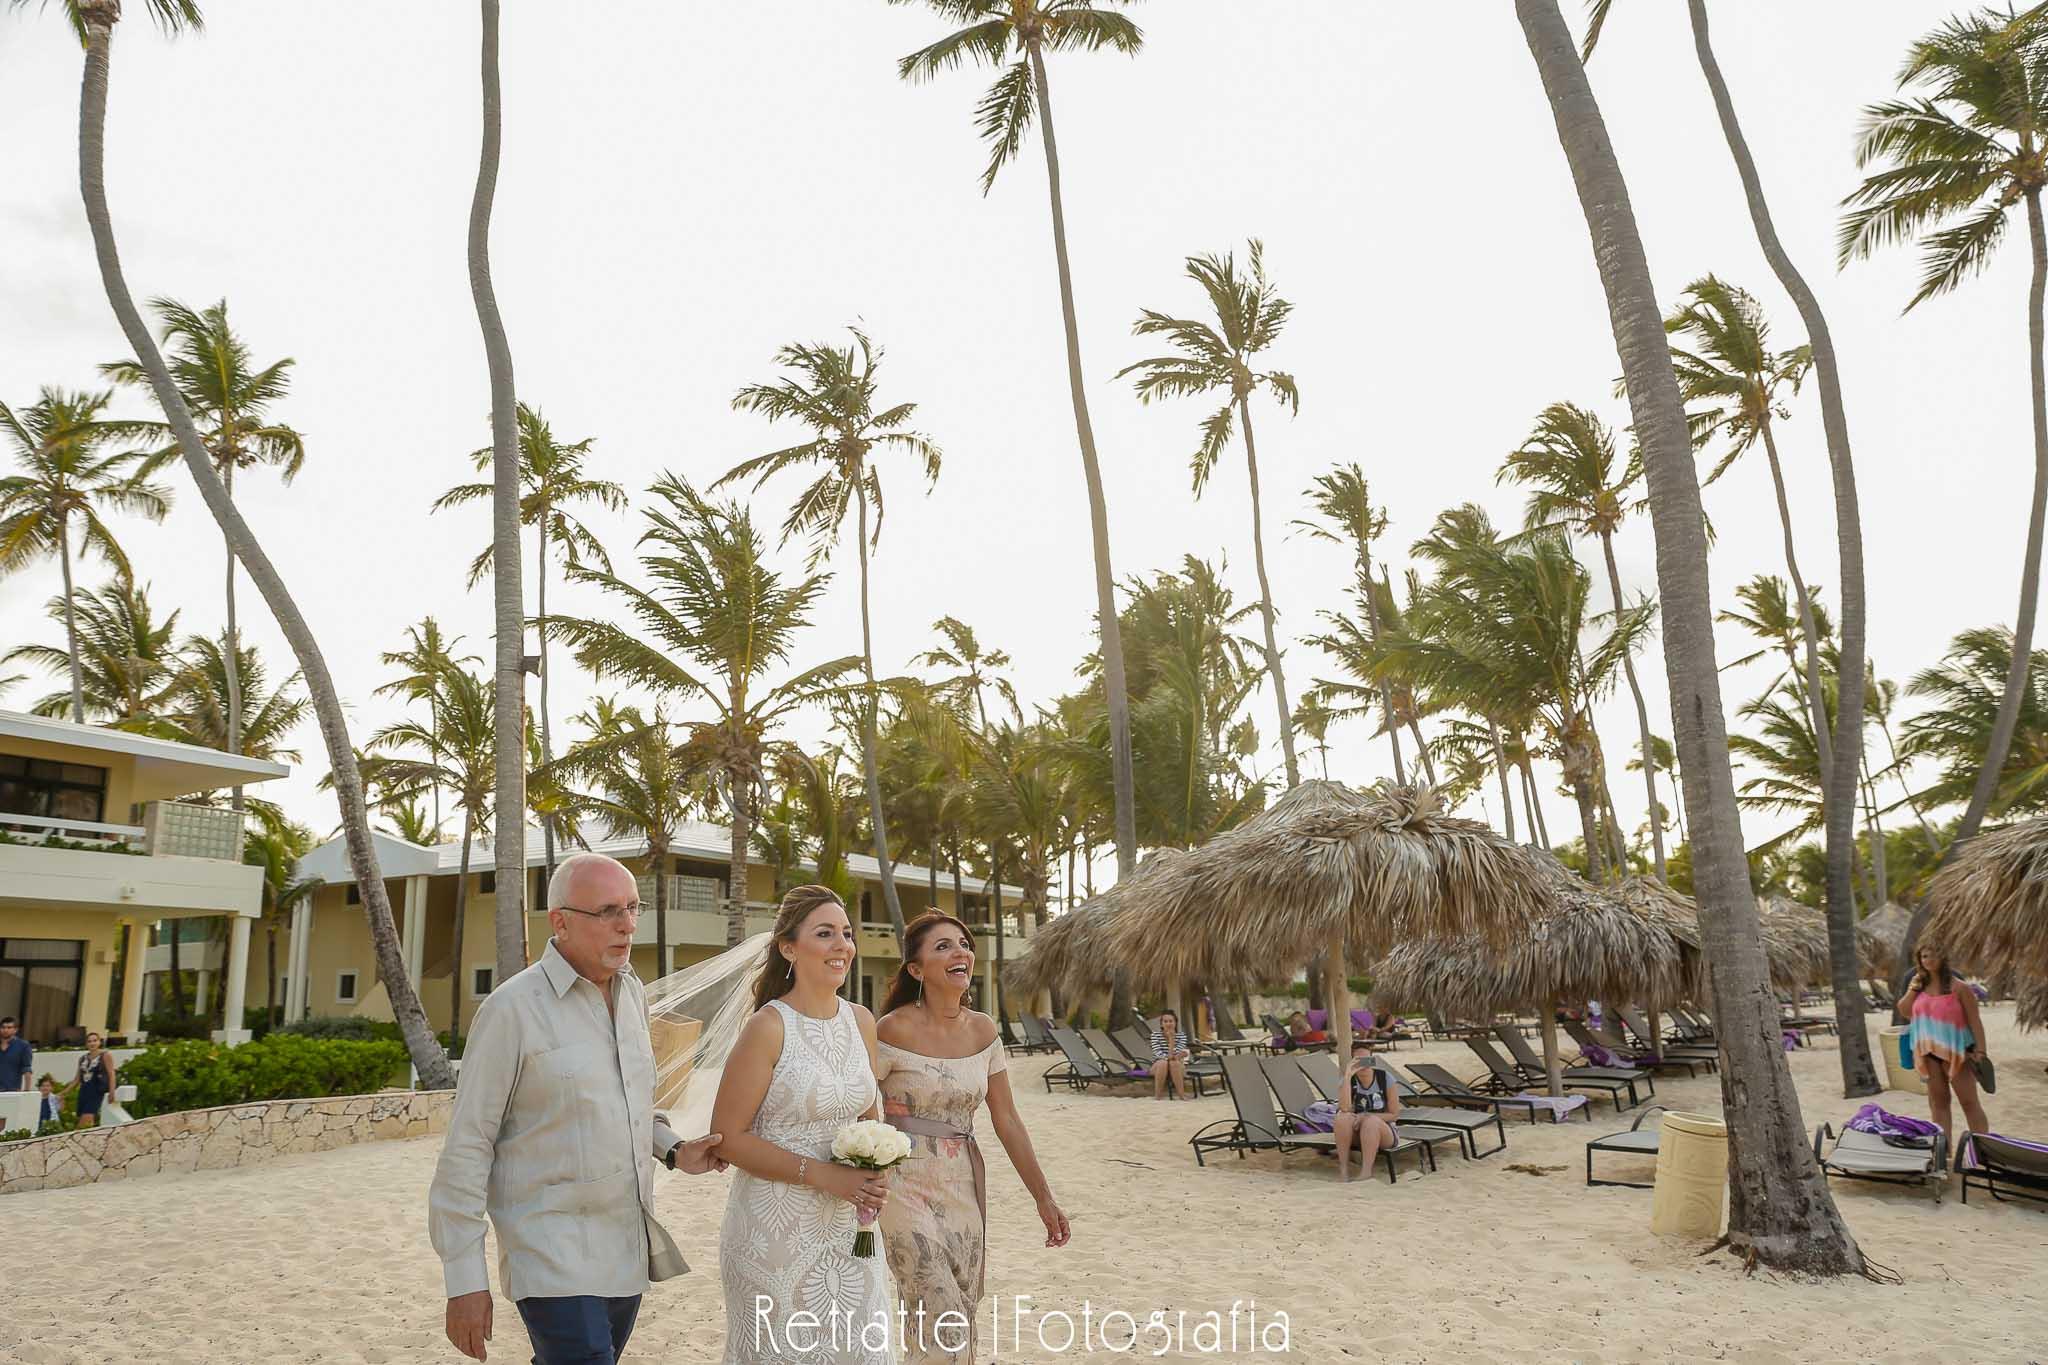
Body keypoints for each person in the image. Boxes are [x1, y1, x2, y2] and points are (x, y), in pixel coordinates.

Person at [428, 852, 727, 1365]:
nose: (627, 925)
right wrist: (464, 1281)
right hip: (550, 1250)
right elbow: (467, 1148)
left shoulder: (632, 995)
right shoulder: (511, 1010)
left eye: (633, 908)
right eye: (608, 911)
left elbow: (630, 1103)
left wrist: (673, 1149)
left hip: (626, 1247)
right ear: (560, 921)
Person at [709, 885, 895, 1364]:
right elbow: (728, 1138)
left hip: (851, 1228)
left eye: (847, 934)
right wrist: (826, 1175)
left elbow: (870, 1115)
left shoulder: (861, 1021)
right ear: (789, 948)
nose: (843, 945)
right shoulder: (769, 1027)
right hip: (775, 1232)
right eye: (825, 933)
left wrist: (878, 1166)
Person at [877, 912, 1069, 1365]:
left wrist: (1043, 1198)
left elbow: (1007, 1120)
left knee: (960, 1311)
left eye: (962, 943)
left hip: (964, 1185)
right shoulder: (891, 1030)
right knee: (940, 1311)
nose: (960, 951)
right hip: (903, 1187)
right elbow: (860, 1110)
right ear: (916, 969)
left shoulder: (983, 1030)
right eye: (942, 946)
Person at [1899, 942, 1990, 1159]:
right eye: (1924, 956)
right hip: (1928, 1053)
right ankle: (1944, 1153)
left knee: (1969, 1102)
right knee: (1939, 1104)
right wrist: (1913, 989)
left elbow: (1975, 1022)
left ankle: (1982, 1151)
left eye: (1933, 955)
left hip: (1959, 1051)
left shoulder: (1959, 987)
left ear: (1944, 956)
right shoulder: (1917, 984)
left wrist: (1981, 1052)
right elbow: (1904, 1011)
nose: (1928, 960)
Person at [1332, 1040, 1400, 1183]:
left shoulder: (1385, 1078)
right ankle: (1343, 1170)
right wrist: (1348, 1076)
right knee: (1342, 1118)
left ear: (1372, 1060)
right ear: (1352, 1062)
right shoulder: (1347, 1080)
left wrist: (1365, 1116)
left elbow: (1394, 1114)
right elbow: (1344, 1108)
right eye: (1359, 1060)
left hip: (1384, 1132)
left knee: (1371, 1121)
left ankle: (1366, 1172)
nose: (1363, 1064)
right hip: (1357, 1132)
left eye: (1367, 1059)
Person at [72, 1031, 115, 1128]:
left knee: (84, 1124)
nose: (92, 1043)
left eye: (95, 1040)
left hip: (96, 1091)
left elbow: (111, 1074)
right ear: (86, 1044)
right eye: (89, 1041)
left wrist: (112, 1092)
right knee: (83, 1123)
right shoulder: (82, 1058)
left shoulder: (105, 1055)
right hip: (84, 1091)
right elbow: (77, 1079)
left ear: (99, 1042)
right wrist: (63, 1093)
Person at [1148, 1009, 1193, 1100]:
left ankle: (1181, 1095)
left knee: (1174, 1063)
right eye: (1165, 1021)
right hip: (1158, 1067)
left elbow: (1175, 1057)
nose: (1168, 1024)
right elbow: (1159, 1054)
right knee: (1163, 1063)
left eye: (1171, 1021)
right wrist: (1172, 1044)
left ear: (1175, 1023)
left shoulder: (1181, 1036)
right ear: (1161, 1024)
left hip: (1176, 1066)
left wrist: (1172, 1039)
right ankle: (1158, 1095)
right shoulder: (1155, 1035)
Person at [0, 1017, 30, 1094]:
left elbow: (26, 1068)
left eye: (9, 1027)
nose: (5, 1030)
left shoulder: (23, 1046)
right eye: (3, 1027)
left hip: (13, 1091)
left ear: (15, 1030)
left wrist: (27, 1091)